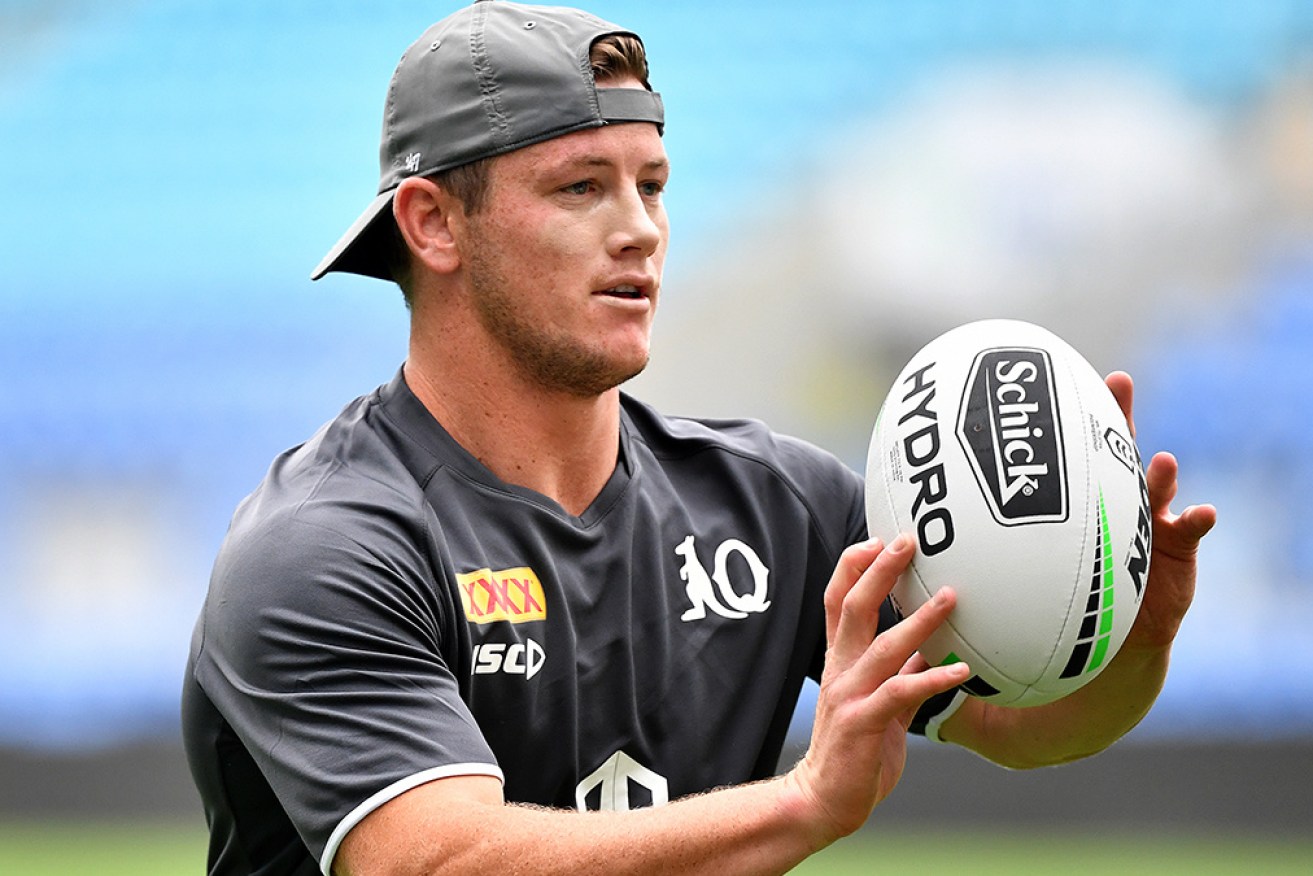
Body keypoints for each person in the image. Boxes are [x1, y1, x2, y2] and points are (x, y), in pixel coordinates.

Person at [181, 2, 1217, 874]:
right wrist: (803, 801)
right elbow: (436, 859)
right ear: (432, 225)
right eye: (579, 187)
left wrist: (1123, 628)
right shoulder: (323, 547)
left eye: (653, 184)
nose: (637, 227)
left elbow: (1014, 721)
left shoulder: (775, 504)